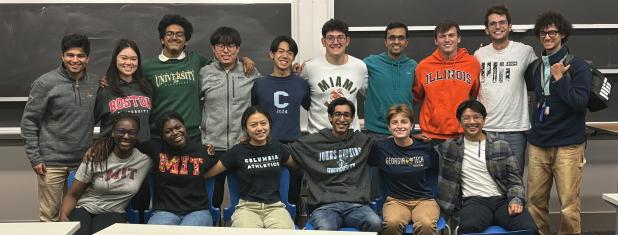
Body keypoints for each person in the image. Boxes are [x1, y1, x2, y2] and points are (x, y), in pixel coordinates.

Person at [525, 11, 591, 235]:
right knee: (534, 204)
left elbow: (580, 103)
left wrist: (560, 78)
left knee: (568, 208)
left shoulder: (578, 66)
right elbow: (542, 97)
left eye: (553, 32)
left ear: (562, 34)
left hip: (568, 147)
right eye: (543, 32)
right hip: (538, 144)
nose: (548, 36)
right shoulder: (536, 67)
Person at [21, 33, 99, 222]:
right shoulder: (45, 83)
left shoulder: (95, 83)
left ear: (88, 58)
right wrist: (35, 157)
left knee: (77, 214)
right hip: (50, 163)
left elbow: (97, 115)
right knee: (50, 217)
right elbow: (29, 122)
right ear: (62, 56)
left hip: (82, 163)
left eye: (80, 56)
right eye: (70, 55)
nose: (75, 60)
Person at [143, 14, 254, 142]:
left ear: (186, 41)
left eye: (180, 35)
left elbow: (222, 63)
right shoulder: (147, 67)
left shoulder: (196, 60)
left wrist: (243, 60)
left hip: (191, 136)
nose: (174, 38)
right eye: (169, 34)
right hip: (159, 137)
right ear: (162, 39)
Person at [436, 100, 537, 234]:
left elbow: (515, 180)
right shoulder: (450, 147)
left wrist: (516, 199)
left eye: (476, 117)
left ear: (484, 119)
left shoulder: (501, 145)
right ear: (459, 122)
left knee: (529, 228)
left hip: (502, 201)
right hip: (473, 202)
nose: (472, 122)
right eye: (466, 118)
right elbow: (417, 147)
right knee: (468, 229)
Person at [286, 97, 382, 232]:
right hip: (325, 208)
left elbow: (391, 145)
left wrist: (414, 139)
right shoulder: (314, 142)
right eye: (337, 114)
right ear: (330, 117)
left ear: (352, 118)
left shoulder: (363, 141)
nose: (342, 119)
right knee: (326, 228)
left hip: (357, 206)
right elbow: (284, 152)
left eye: (346, 115)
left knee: (376, 223)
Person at [60, 113, 152, 235]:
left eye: (131, 132)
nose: (126, 136)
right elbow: (73, 194)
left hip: (113, 211)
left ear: (136, 136)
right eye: (121, 131)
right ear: (113, 133)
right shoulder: (97, 155)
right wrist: (62, 216)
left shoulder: (144, 161)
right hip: (84, 208)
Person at [203, 106, 294, 229]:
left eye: (263, 123)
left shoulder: (278, 148)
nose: (260, 128)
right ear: (245, 128)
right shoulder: (238, 151)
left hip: (275, 208)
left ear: (269, 125)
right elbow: (210, 173)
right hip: (247, 208)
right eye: (253, 125)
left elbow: (298, 165)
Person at [200, 26, 261, 208]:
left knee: (243, 199)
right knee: (213, 199)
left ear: (238, 49)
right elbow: (193, 106)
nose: (226, 50)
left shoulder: (250, 71)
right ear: (213, 49)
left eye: (231, 46)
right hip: (212, 146)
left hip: (241, 144)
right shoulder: (204, 73)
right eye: (220, 46)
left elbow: (266, 95)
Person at [250, 35, 310, 219]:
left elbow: (311, 107)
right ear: (271, 54)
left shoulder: (301, 83)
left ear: (293, 57)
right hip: (265, 145)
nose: (285, 56)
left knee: (291, 197)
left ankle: (292, 221)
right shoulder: (259, 84)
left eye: (290, 52)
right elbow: (254, 113)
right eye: (280, 51)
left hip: (292, 146)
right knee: (266, 197)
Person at [474, 5, 537, 175]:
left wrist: (526, 96)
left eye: (502, 22)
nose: (497, 27)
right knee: (486, 182)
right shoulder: (478, 55)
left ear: (510, 26)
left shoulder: (525, 51)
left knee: (514, 181)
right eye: (493, 24)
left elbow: (540, 80)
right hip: (485, 129)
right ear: (487, 30)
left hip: (515, 129)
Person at [369, 104, 439, 235]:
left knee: (426, 224)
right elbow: (371, 164)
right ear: (389, 127)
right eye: (394, 123)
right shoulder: (380, 148)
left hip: (424, 200)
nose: (399, 126)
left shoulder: (425, 147)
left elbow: (437, 172)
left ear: (412, 126)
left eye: (404, 122)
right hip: (395, 201)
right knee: (392, 224)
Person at [141, 111, 217, 226]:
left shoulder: (201, 150)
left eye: (178, 127)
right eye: (168, 131)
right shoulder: (155, 148)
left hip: (197, 211)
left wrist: (206, 175)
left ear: (184, 126)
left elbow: (226, 160)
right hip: (164, 212)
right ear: (162, 136)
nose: (175, 132)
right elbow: (129, 144)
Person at [413, 20, 480, 145]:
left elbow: (474, 94)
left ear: (458, 38)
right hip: (430, 135)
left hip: (462, 133)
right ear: (436, 41)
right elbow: (417, 96)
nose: (447, 40)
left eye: (451, 35)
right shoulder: (423, 66)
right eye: (442, 36)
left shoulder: (472, 64)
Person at [299, 18, 367, 134]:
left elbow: (372, 97)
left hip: (350, 137)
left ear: (347, 41)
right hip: (318, 138)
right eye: (330, 38)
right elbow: (299, 96)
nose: (335, 42)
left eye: (340, 37)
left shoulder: (359, 66)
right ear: (323, 41)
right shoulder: (309, 68)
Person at [363, 22, 417, 140]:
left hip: (404, 130)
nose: (396, 42)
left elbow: (417, 95)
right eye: (392, 38)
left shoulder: (414, 66)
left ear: (406, 42)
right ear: (386, 42)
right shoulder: (370, 63)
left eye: (401, 38)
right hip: (376, 132)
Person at [95, 39, 152, 143]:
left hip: (143, 153)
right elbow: (89, 122)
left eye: (134, 59)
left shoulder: (146, 87)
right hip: (113, 153)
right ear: (115, 59)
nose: (129, 62)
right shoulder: (104, 88)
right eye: (124, 58)